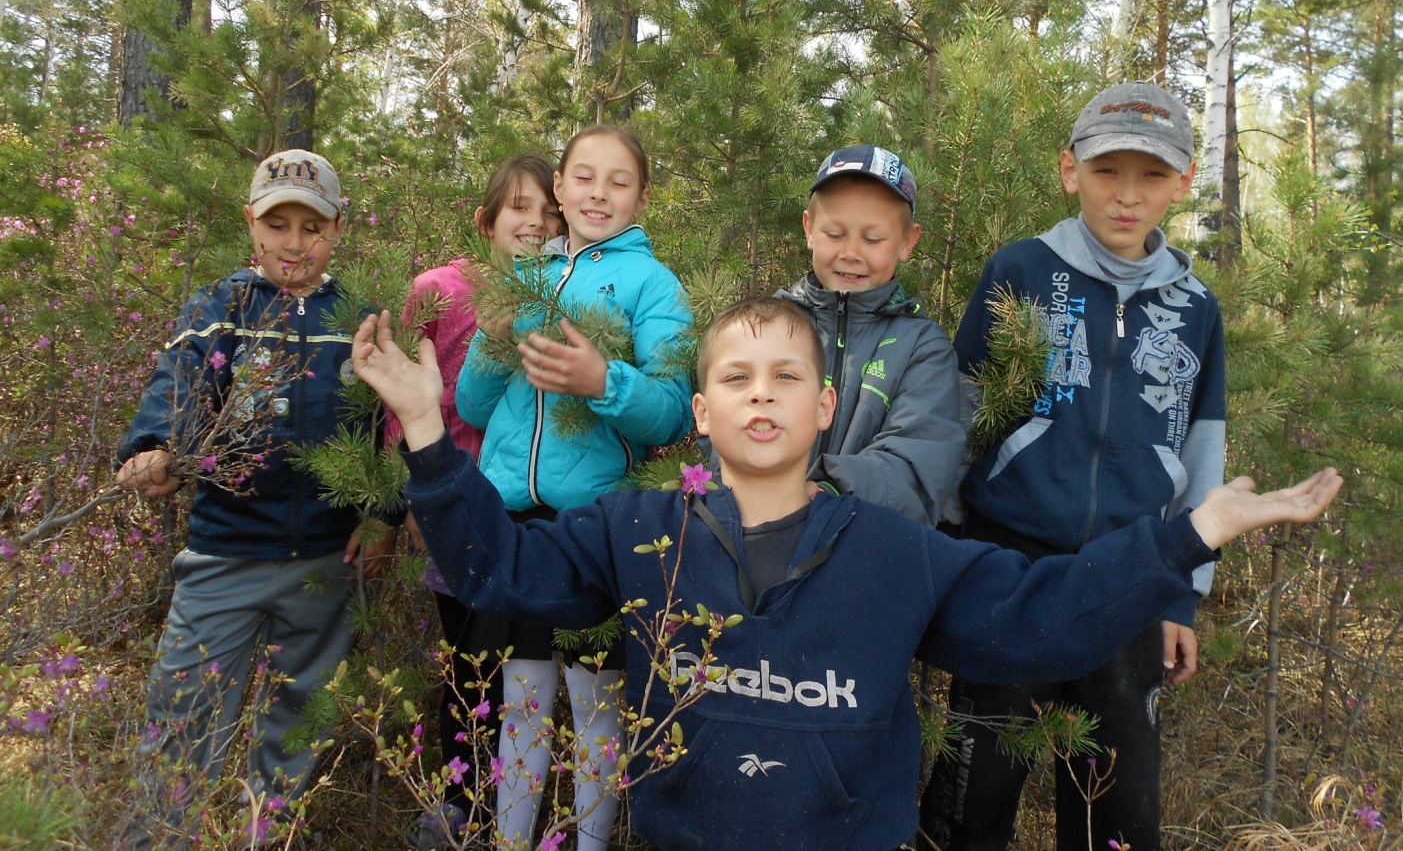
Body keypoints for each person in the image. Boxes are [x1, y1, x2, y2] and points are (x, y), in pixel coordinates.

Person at [350, 296, 1337, 851]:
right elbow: (499, 571)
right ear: (700, 414)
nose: (760, 395)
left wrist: (1193, 528)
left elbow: (1044, 619)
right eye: (735, 378)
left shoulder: (891, 553)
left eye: (785, 377)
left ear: (824, 408)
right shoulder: (637, 532)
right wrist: (430, 433)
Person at [922, 82, 1227, 851]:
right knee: (975, 779)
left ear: (1182, 183)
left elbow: (1201, 445)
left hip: (1130, 571)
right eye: (1105, 172)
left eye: (1151, 176)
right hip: (1006, 568)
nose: (1126, 196)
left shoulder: (1194, 304)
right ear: (1068, 170)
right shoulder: (1020, 270)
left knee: (1116, 799)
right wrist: (948, 552)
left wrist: (1182, 589)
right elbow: (961, 414)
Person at [115, 149, 397, 846]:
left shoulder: (356, 315)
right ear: (251, 223)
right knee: (183, 720)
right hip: (225, 554)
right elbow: (177, 383)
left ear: (337, 229)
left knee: (297, 723)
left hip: (326, 562)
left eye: (311, 226)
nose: (293, 243)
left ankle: (265, 835)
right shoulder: (223, 308)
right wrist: (154, 448)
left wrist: (385, 513)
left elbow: (390, 425)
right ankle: (162, 835)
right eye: (278, 224)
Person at [454, 126, 694, 851]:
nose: (598, 193)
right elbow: (469, 407)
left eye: (617, 182)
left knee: (595, 705)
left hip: (594, 527)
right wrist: (490, 342)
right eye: (583, 178)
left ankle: (589, 844)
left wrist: (602, 383)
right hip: (514, 524)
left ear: (642, 198)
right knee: (520, 702)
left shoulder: (654, 284)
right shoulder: (523, 278)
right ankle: (508, 840)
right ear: (559, 188)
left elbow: (672, 407)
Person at [386, 155, 565, 850]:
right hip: (453, 504)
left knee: (528, 667)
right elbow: (398, 406)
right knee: (469, 661)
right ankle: (464, 805)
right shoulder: (436, 290)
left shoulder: (560, 291)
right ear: (484, 220)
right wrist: (407, 503)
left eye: (550, 211)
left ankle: (520, 812)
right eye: (520, 207)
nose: (536, 222)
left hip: (533, 516)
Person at [776, 144, 964, 524]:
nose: (851, 252)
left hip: (863, 541)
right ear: (809, 229)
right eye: (834, 233)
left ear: (907, 242)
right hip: (755, 530)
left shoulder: (924, 349)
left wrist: (825, 493)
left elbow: (918, 463)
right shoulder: (771, 327)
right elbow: (728, 427)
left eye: (873, 239)